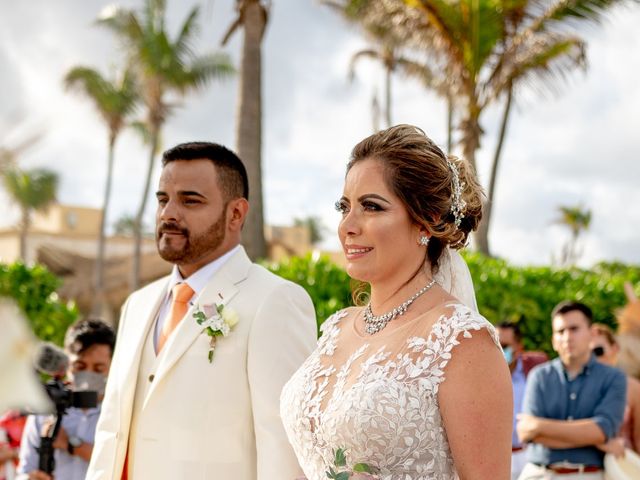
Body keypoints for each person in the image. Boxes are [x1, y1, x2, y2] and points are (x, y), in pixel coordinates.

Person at [281, 124, 513, 479]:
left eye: (371, 207)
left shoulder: (462, 342)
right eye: (344, 207)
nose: (348, 226)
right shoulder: (336, 328)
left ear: (427, 222)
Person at [86, 142, 317, 480]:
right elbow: (111, 431)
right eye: (163, 199)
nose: (168, 214)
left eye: (190, 200)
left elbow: (284, 445)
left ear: (236, 213)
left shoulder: (275, 300)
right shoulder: (136, 305)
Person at [517, 301, 627, 480]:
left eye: (574, 329)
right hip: (539, 473)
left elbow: (601, 430)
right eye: (560, 331)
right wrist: (593, 438)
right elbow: (525, 433)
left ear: (591, 334)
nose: (567, 337)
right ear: (553, 340)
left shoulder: (614, 378)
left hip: (587, 475)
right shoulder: (539, 376)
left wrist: (539, 426)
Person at [16, 319, 115, 480]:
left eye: (98, 369)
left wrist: (71, 444)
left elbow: (122, 464)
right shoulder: (44, 410)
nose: (88, 375)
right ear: (66, 363)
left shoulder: (120, 413)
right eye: (80, 366)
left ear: (112, 365)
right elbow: (24, 470)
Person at [497, 322, 549, 480]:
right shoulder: (483, 375)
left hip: (528, 453)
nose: (499, 349)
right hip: (498, 456)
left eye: (504, 345)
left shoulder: (534, 370)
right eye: (495, 343)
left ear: (519, 347)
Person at [591, 323, 640, 454]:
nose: (593, 358)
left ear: (614, 348)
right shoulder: (574, 389)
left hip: (621, 467)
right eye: (587, 353)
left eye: (598, 351)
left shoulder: (632, 387)